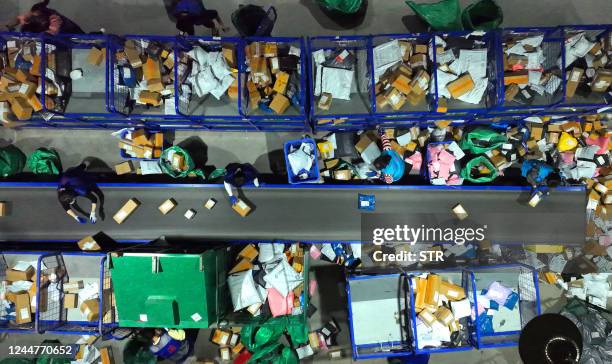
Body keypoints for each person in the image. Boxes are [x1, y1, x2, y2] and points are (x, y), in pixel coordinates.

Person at [5, 0, 84, 34]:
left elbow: (53, 34)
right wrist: (10, 25)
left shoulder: (54, 21)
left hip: (74, 38)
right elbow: (19, 18)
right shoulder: (36, 11)